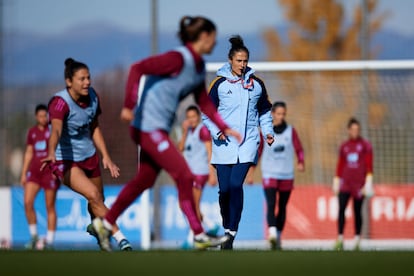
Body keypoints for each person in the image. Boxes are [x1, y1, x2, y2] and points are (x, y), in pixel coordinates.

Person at [92, 16, 242, 251]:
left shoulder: (199, 67)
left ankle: (106, 222)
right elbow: (137, 68)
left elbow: (203, 100)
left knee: (144, 181)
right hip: (146, 127)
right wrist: (129, 106)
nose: (215, 42)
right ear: (203, 37)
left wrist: (224, 127)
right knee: (184, 174)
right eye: (213, 37)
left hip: (157, 129)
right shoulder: (176, 59)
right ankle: (199, 234)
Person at [42, 58, 132, 251]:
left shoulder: (93, 96)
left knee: (98, 199)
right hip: (64, 160)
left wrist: (106, 156)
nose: (87, 82)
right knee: (93, 195)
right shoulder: (60, 103)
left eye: (88, 77)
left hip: (89, 156)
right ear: (69, 82)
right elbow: (56, 130)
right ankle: (121, 238)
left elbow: (94, 127)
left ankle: (99, 235)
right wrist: (50, 152)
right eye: (81, 79)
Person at [203, 35, 274, 250]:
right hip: (224, 145)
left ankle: (231, 232)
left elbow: (265, 111)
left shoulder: (257, 84)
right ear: (230, 60)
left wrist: (268, 131)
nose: (242, 65)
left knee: (236, 185)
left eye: (245, 61)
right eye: (239, 61)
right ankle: (227, 228)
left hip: (249, 142)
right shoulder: (219, 85)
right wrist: (217, 132)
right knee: (224, 191)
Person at [259, 101, 304, 250]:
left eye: (283, 114)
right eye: (278, 113)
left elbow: (299, 148)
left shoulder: (291, 131)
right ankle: (271, 234)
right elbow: (258, 151)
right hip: (269, 173)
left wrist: (301, 162)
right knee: (271, 203)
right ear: (272, 114)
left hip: (286, 175)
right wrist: (251, 171)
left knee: (282, 206)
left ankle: (277, 236)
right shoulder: (265, 131)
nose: (281, 116)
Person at [178, 105, 219, 248]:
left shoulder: (203, 131)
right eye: (189, 117)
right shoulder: (188, 132)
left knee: (193, 206)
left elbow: (209, 152)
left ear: (198, 117)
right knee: (184, 206)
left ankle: (192, 239)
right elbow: (180, 149)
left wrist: (212, 174)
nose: (192, 120)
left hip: (200, 173)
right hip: (189, 174)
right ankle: (210, 224)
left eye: (194, 117)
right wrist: (184, 132)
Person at [20, 104, 60, 249]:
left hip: (49, 173)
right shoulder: (32, 132)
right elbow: (29, 152)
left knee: (49, 205)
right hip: (34, 173)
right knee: (27, 202)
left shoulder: (53, 131)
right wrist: (24, 173)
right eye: (41, 116)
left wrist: (57, 171)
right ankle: (34, 236)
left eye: (46, 116)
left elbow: (59, 151)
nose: (43, 118)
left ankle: (49, 240)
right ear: (37, 117)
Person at [333, 117, 374, 251]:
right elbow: (340, 164)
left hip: (359, 185)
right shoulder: (344, 146)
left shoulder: (365, 145)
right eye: (353, 129)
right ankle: (340, 238)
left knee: (357, 211)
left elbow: (369, 164)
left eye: (357, 129)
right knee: (341, 209)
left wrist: (368, 182)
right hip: (345, 184)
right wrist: (336, 180)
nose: (355, 131)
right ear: (348, 130)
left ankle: (357, 239)